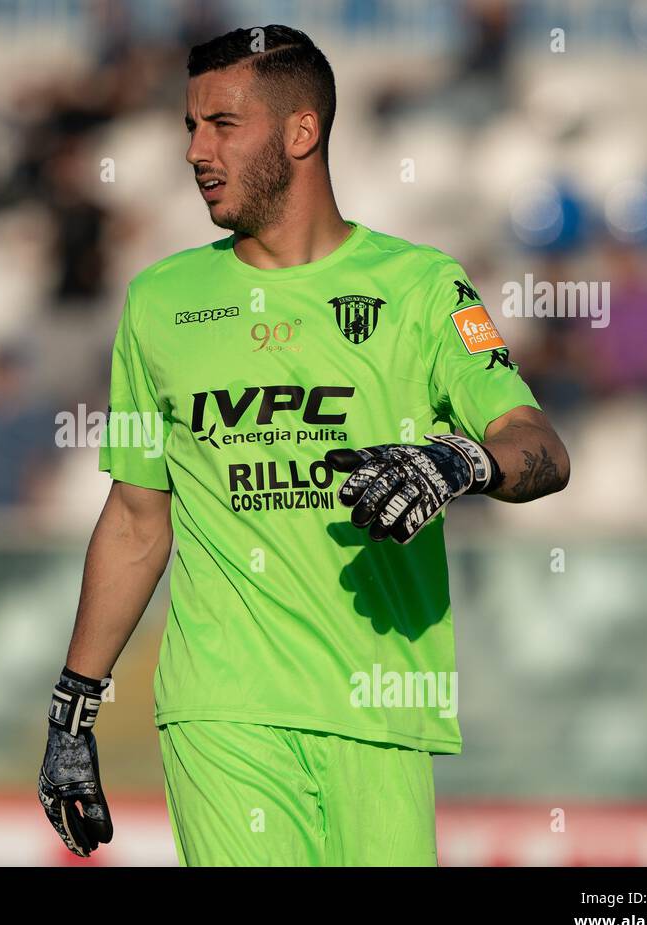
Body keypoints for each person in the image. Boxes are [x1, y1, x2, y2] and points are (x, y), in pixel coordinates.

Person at [38, 25, 570, 866]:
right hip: (223, 711)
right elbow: (139, 517)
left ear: (300, 132)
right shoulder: (158, 304)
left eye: (222, 124)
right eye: (189, 126)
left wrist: (458, 461)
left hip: (382, 709)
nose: (195, 151)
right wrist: (74, 709)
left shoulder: (421, 288)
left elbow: (537, 445)